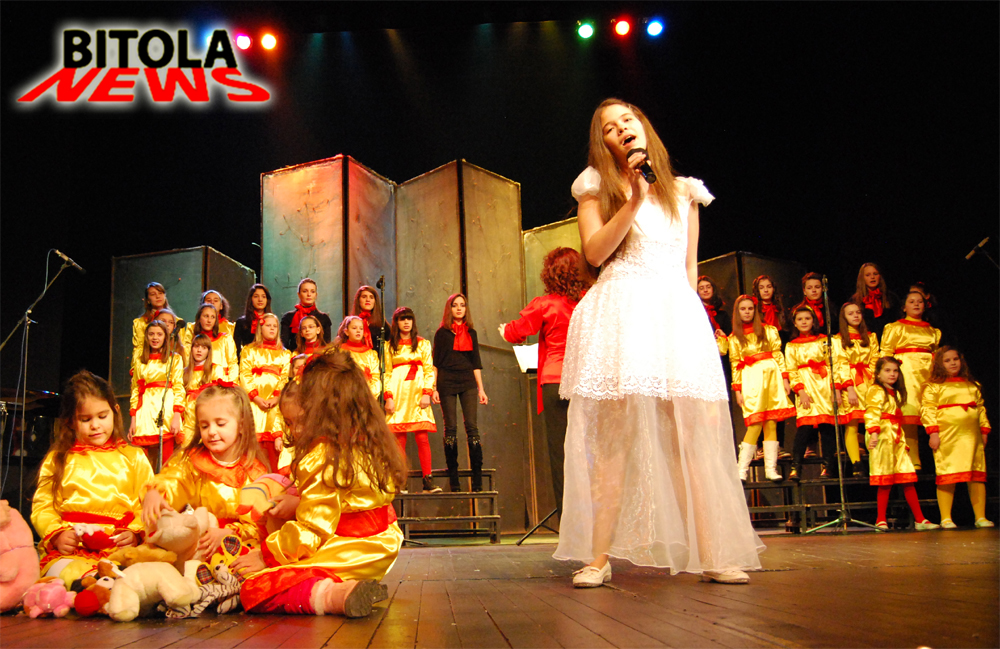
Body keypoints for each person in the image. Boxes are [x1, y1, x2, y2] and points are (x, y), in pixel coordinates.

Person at [557, 99, 763, 588]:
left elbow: (688, 268)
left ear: (643, 126)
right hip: (623, 313)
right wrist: (633, 199)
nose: (621, 130)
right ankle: (598, 558)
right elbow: (594, 253)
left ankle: (713, 554)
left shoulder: (685, 192)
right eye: (610, 128)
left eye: (626, 120)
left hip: (674, 315)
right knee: (613, 440)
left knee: (689, 438)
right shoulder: (596, 187)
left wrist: (694, 325)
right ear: (604, 143)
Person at [230, 351, 405, 619]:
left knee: (255, 587)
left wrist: (266, 555)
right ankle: (348, 586)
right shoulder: (369, 440)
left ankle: (335, 595)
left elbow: (312, 530)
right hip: (383, 544)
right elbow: (347, 504)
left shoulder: (324, 456)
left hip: (351, 550)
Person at [31, 371, 152, 586]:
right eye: (85, 419)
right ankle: (91, 586)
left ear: (115, 411)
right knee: (66, 574)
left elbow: (147, 504)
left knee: (142, 576)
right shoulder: (59, 459)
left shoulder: (134, 457)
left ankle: (106, 586)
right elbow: (43, 506)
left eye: (102, 416)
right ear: (70, 421)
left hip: (119, 549)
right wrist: (58, 535)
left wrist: (134, 533)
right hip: (74, 550)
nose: (95, 425)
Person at [499, 246, 590, 513]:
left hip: (555, 382)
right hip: (587, 383)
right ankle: (597, 521)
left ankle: (568, 523)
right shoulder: (590, 301)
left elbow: (516, 332)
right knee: (591, 452)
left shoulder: (546, 304)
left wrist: (505, 330)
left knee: (561, 455)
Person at [143, 384, 269, 556]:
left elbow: (260, 527)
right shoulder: (193, 462)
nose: (211, 432)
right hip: (197, 545)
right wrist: (156, 493)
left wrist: (230, 533)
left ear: (241, 425)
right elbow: (174, 480)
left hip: (236, 550)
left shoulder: (254, 472)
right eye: (204, 426)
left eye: (220, 424)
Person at [920, 347, 993, 529]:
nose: (953, 363)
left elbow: (980, 409)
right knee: (947, 473)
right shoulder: (934, 386)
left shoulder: (972, 385)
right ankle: (946, 517)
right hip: (948, 435)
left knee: (976, 474)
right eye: (947, 360)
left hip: (971, 436)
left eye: (955, 359)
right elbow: (928, 409)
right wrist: (933, 432)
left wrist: (984, 430)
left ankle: (980, 516)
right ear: (939, 364)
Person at [865, 357, 939, 531]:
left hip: (897, 436)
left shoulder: (895, 392)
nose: (892, 374)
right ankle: (880, 519)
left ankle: (920, 519)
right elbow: (872, 411)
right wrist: (874, 432)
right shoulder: (876, 390)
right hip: (883, 435)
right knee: (885, 478)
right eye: (887, 370)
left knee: (907, 477)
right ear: (878, 374)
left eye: (895, 371)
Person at [727, 296, 796, 482]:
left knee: (771, 422)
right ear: (737, 312)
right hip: (751, 379)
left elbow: (777, 354)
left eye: (750, 308)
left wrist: (785, 378)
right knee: (755, 422)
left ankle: (770, 469)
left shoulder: (769, 330)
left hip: (772, 376)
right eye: (743, 309)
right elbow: (735, 364)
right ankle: (741, 469)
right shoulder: (734, 337)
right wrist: (737, 390)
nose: (747, 312)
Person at [432, 293, 488, 492]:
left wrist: (481, 389)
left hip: (467, 381)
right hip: (447, 382)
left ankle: (477, 479)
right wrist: (433, 388)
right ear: (449, 308)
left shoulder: (471, 333)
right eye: (455, 305)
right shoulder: (442, 333)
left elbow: (476, 363)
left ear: (466, 309)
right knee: (451, 429)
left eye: (462, 305)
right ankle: (454, 478)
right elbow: (436, 364)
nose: (458, 308)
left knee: (472, 427)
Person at [880, 290, 941, 470]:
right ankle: (913, 458)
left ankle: (938, 457)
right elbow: (886, 353)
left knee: (932, 411)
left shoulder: (933, 331)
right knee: (909, 413)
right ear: (904, 307)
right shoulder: (895, 327)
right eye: (912, 301)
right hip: (906, 372)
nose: (916, 304)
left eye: (919, 301)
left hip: (928, 373)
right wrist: (889, 375)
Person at [785, 306, 844, 481]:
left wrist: (835, 389)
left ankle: (828, 466)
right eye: (800, 319)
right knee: (804, 427)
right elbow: (792, 370)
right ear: (795, 323)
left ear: (813, 321)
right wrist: (800, 391)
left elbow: (835, 365)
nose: (804, 322)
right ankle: (796, 467)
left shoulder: (825, 341)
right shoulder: (791, 346)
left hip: (824, 385)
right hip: (806, 386)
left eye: (807, 318)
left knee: (827, 427)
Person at [383, 307, 439, 493]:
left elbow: (429, 370)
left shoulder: (423, 344)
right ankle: (401, 480)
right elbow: (387, 374)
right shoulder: (389, 346)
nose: (406, 322)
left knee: (422, 437)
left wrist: (427, 392)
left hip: (417, 393)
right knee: (399, 438)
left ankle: (427, 480)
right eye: (402, 319)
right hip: (399, 394)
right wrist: (388, 397)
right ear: (396, 323)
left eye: (409, 319)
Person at [240, 313, 293, 471]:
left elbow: (285, 377)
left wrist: (277, 397)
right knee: (255, 440)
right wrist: (255, 397)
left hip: (275, 404)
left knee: (273, 442)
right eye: (268, 325)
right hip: (254, 402)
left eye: (275, 326)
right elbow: (245, 373)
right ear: (260, 328)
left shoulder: (285, 354)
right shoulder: (249, 350)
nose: (272, 329)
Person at [832, 302, 879, 477]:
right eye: (850, 313)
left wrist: (875, 383)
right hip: (850, 382)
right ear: (844, 318)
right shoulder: (838, 339)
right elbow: (841, 364)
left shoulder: (871, 337)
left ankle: (876, 460)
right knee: (852, 424)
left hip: (869, 382)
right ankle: (856, 463)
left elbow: (875, 360)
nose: (855, 316)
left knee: (872, 422)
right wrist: (849, 387)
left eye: (858, 312)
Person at [129, 319, 185, 466]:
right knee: (144, 460)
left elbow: (179, 387)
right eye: (151, 334)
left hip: (166, 409)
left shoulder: (174, 359)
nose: (155, 338)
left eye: (159, 334)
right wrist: (133, 419)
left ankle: (164, 481)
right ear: (146, 337)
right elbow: (135, 389)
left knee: (166, 458)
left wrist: (177, 415)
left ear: (165, 337)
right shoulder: (140, 361)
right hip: (145, 410)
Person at [179, 333, 225, 450]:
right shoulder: (184, 372)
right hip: (188, 418)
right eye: (196, 346)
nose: (199, 350)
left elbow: (220, 394)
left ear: (208, 351)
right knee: (186, 449)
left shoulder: (215, 369)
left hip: (208, 415)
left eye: (204, 347)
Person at [185, 303, 239, 381]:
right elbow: (188, 364)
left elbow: (233, 364)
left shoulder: (225, 338)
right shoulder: (193, 341)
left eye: (213, 317)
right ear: (199, 318)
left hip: (223, 382)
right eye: (206, 316)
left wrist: (230, 383)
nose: (209, 320)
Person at [131, 282, 179, 369]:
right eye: (153, 294)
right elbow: (139, 348)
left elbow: (180, 346)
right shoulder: (141, 323)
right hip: (148, 365)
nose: (158, 296)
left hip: (173, 365)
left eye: (160, 293)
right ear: (148, 300)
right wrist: (135, 369)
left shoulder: (178, 322)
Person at [333, 316, 383, 400]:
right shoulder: (339, 352)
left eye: (361, 328)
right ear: (346, 332)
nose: (358, 331)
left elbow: (376, 376)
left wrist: (368, 395)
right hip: (346, 396)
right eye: (354, 328)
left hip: (367, 396)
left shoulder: (370, 353)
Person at [281, 278, 333, 351]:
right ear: (299, 294)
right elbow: (284, 344)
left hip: (319, 355)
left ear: (316, 295)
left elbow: (326, 344)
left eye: (312, 291)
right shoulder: (288, 317)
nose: (309, 294)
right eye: (305, 291)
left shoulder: (324, 318)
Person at [850, 263, 899, 339]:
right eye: (868, 275)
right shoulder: (855, 300)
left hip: (889, 339)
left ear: (880, 276)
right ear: (862, 278)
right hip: (865, 339)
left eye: (875, 274)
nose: (872, 277)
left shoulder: (891, 298)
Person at [235, 283, 273, 358]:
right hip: (247, 360)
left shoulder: (272, 321)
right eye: (256, 296)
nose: (260, 300)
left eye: (263, 296)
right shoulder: (241, 322)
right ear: (250, 299)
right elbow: (237, 348)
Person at [351, 285, 388, 352]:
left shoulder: (382, 323)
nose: (368, 300)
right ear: (358, 300)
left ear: (375, 301)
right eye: (364, 297)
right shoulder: (349, 322)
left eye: (371, 297)